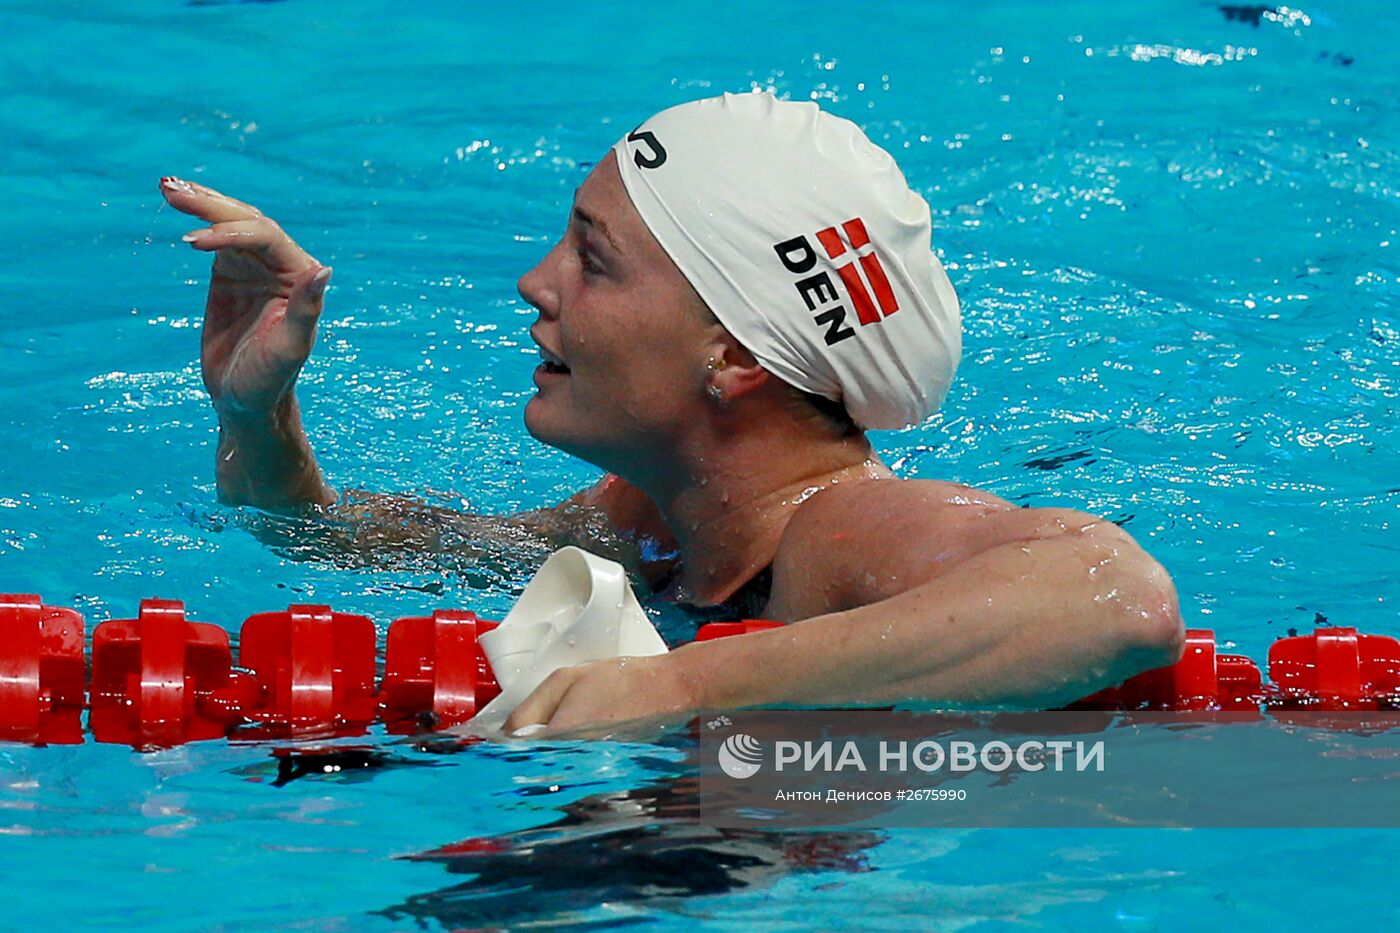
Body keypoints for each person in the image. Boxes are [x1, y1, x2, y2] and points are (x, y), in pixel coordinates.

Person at [160, 93, 1184, 735]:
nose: (534, 283)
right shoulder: (641, 522)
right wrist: (258, 414)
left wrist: (676, 688)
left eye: (590, 260)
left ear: (734, 355)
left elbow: (1116, 602)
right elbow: (326, 546)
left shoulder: (840, 527)